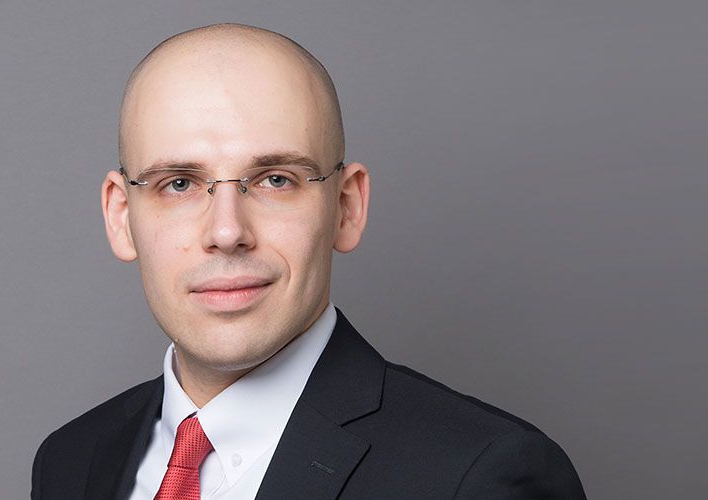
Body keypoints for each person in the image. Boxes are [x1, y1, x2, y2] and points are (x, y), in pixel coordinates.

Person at [31, 23, 586, 500]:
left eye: (275, 180)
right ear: (121, 216)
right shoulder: (71, 460)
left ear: (346, 207)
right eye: (178, 183)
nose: (227, 232)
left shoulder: (482, 474)